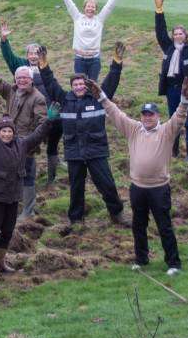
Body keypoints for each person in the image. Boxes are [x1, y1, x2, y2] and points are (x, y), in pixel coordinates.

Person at [101, 79, 188, 276]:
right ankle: (141, 259)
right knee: (138, 225)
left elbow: (179, 117)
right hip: (137, 188)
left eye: (150, 114)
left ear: (157, 116)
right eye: (144, 114)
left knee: (164, 226)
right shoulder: (133, 129)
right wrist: (102, 97)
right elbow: (116, 114)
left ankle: (173, 263)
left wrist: (185, 100)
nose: (147, 118)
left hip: (159, 188)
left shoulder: (166, 131)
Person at [36, 44, 127, 234]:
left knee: (107, 184)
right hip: (74, 153)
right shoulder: (64, 100)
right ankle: (76, 220)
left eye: (81, 84)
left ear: (86, 85)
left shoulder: (98, 99)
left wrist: (116, 63)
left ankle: (117, 214)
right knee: (76, 189)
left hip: (96, 151)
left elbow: (111, 83)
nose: (78, 87)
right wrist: (43, 66)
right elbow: (50, 83)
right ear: (71, 87)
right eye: (75, 84)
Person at [0, 100, 53, 276]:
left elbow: (38, 135)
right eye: (4, 131)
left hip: (13, 196)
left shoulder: (22, 144)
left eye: (9, 131)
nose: (7, 134)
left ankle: (1, 263)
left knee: (8, 230)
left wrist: (49, 120)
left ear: (14, 133)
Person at [0, 45, 50, 217]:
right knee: (7, 175)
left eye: (25, 78)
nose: (22, 80)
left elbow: (42, 124)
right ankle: (10, 204)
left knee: (27, 176)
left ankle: (28, 210)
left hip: (25, 146)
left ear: (31, 80)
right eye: (19, 78)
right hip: (6, 143)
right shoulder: (11, 92)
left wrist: (30, 143)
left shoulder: (38, 98)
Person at [1, 25, 62, 190]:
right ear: (27, 55)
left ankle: (51, 177)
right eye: (30, 53)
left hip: (49, 112)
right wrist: (4, 40)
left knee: (52, 144)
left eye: (36, 52)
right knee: (30, 146)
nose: (33, 55)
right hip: (29, 114)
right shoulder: (21, 66)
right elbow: (9, 57)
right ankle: (25, 180)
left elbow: (53, 86)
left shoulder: (45, 67)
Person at [154, 0, 188, 158]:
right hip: (172, 90)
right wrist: (159, 10)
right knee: (173, 121)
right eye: (175, 34)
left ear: (186, 36)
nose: (177, 36)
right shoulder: (168, 47)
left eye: (181, 33)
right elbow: (160, 31)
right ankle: (173, 150)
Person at [56, 0, 122, 80]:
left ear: (95, 9)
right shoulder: (77, 18)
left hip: (94, 60)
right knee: (80, 84)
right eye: (88, 6)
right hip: (79, 59)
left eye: (93, 7)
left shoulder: (99, 20)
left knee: (92, 85)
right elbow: (69, 4)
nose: (90, 9)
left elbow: (109, 7)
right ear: (84, 7)